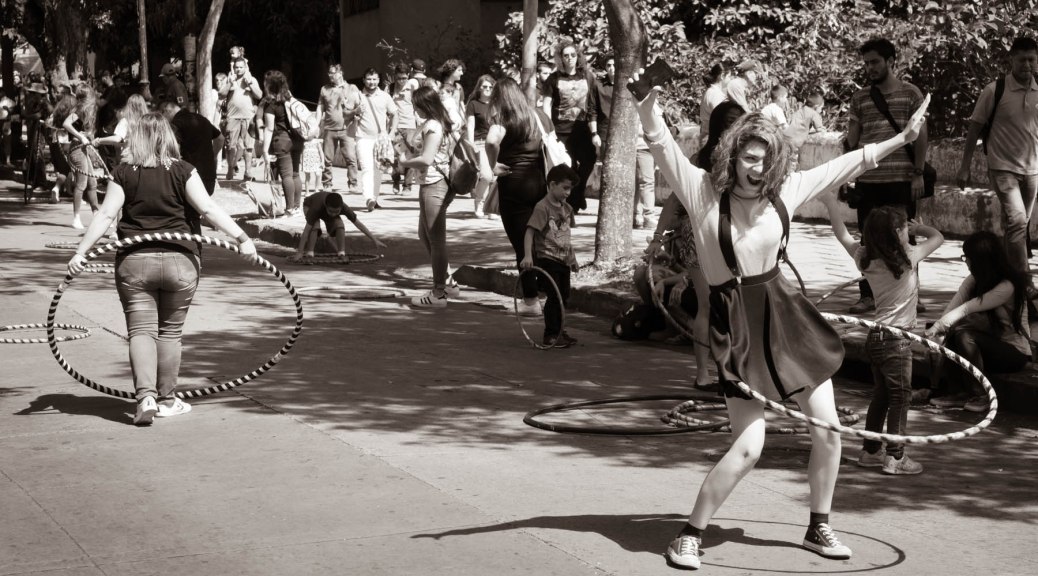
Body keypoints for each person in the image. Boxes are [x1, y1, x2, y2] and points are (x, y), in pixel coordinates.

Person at [629, 67, 930, 570]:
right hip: (737, 327)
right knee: (750, 447)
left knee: (829, 430)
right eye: (748, 158)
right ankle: (689, 533)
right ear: (732, 157)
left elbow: (848, 163)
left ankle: (819, 526)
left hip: (788, 319)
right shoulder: (703, 192)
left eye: (764, 161)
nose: (755, 168)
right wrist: (646, 109)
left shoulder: (784, 193)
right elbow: (661, 145)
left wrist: (902, 136)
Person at [66, 112, 257, 425]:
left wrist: (81, 252)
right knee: (170, 332)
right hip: (181, 262)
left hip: (134, 263)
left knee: (141, 331)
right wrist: (242, 238)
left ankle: (146, 398)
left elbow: (104, 216)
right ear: (169, 138)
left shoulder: (124, 172)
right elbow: (207, 208)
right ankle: (167, 399)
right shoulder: (184, 170)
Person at [825, 201, 944, 475]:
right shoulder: (908, 258)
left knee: (881, 396)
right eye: (903, 228)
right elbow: (938, 237)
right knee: (900, 398)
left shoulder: (864, 259)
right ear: (897, 233)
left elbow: (841, 233)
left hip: (875, 338)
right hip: (897, 342)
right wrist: (920, 227)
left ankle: (869, 452)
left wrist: (830, 203)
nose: (907, 232)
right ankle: (896, 456)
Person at [646, 100, 746, 388]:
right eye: (729, 121)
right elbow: (674, 201)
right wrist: (657, 237)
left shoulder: (743, 158)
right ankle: (707, 374)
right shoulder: (705, 161)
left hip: (732, 236)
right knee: (709, 305)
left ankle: (726, 372)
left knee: (726, 305)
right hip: (702, 235)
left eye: (738, 121)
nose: (734, 126)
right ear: (718, 126)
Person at [846, 38, 929, 315]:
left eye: (875, 62)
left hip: (902, 180)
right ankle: (868, 294)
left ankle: (911, 292)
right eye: (866, 63)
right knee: (867, 240)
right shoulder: (859, 98)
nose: (870, 68)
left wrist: (918, 173)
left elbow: (921, 137)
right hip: (868, 180)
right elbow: (853, 140)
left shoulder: (911, 93)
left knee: (906, 238)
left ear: (890, 60)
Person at [956, 37, 1038, 292]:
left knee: (1018, 228)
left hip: (1033, 168)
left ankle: (1001, 277)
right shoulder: (995, 90)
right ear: (1011, 59)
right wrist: (965, 166)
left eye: (1032, 59)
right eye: (1022, 59)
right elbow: (975, 129)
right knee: (1017, 221)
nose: (1027, 64)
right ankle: (1025, 283)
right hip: (1002, 167)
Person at [926, 231, 1032, 412]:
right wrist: (936, 332)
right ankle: (958, 393)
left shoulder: (1007, 286)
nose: (965, 261)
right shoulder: (973, 280)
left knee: (965, 335)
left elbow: (967, 308)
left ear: (981, 260)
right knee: (953, 332)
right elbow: (954, 306)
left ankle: (981, 395)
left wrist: (938, 326)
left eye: (967, 257)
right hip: (988, 349)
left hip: (1015, 353)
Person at [485, 78, 554, 317]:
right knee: (538, 240)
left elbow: (491, 140)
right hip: (538, 184)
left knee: (521, 244)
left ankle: (531, 300)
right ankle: (548, 292)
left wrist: (492, 166)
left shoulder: (503, 119)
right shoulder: (536, 117)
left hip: (513, 185)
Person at [399, 86, 462, 308]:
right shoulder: (432, 123)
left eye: (416, 105)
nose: (414, 109)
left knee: (436, 240)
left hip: (435, 184)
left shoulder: (434, 125)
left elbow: (426, 159)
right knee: (425, 235)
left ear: (425, 104)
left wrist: (405, 163)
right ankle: (448, 283)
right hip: (430, 183)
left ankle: (438, 294)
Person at [521, 164, 581, 347]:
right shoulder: (543, 208)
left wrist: (573, 259)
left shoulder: (567, 208)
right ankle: (550, 334)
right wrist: (527, 256)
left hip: (563, 259)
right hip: (547, 258)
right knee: (554, 296)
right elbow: (530, 232)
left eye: (570, 188)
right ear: (552, 184)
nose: (568, 192)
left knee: (563, 296)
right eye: (565, 188)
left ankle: (560, 330)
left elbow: (566, 235)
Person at [541, 41, 597, 211]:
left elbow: (593, 103)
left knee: (590, 160)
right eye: (566, 55)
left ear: (578, 56)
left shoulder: (586, 76)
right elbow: (546, 106)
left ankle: (578, 191)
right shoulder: (554, 78)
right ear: (561, 58)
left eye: (573, 55)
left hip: (582, 129)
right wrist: (548, 130)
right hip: (561, 131)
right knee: (569, 166)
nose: (570, 58)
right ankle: (573, 200)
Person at [292, 191, 385, 263]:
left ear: (341, 208)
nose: (333, 214)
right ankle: (310, 253)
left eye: (337, 212)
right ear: (326, 206)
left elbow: (358, 224)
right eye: (331, 211)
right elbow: (306, 231)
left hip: (324, 208)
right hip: (309, 205)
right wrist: (300, 252)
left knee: (340, 225)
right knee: (315, 226)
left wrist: (374, 240)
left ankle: (341, 253)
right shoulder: (316, 208)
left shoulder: (344, 207)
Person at [56, 84, 100, 230]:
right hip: (76, 149)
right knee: (82, 184)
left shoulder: (87, 110)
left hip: (83, 148)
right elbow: (66, 124)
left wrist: (89, 137)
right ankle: (76, 218)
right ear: (87, 97)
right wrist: (81, 136)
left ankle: (96, 215)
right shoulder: (80, 109)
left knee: (92, 182)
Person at [261, 70, 305, 216]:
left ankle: (289, 209)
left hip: (282, 140)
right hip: (298, 139)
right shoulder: (290, 100)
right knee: (295, 174)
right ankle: (297, 207)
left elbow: (269, 128)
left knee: (286, 175)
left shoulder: (271, 104)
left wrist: (265, 151)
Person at [354, 67, 398, 212]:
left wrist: (391, 133)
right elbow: (346, 114)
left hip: (381, 139)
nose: (371, 82)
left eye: (374, 79)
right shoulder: (357, 96)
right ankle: (369, 198)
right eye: (369, 79)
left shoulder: (385, 96)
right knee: (366, 168)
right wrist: (355, 111)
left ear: (379, 80)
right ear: (364, 80)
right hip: (363, 138)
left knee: (379, 170)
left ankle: (375, 197)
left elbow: (394, 114)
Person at [317, 63, 361, 193]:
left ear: (340, 73)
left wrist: (356, 115)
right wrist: (316, 123)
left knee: (351, 158)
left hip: (346, 128)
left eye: (333, 73)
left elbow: (359, 105)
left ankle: (353, 184)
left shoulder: (351, 88)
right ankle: (327, 184)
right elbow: (320, 107)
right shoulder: (324, 89)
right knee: (327, 158)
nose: (330, 75)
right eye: (329, 73)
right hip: (329, 128)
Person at [221, 58, 263, 182]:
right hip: (232, 117)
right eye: (236, 67)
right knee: (230, 146)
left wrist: (249, 83)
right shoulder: (230, 80)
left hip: (248, 117)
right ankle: (230, 169)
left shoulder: (251, 79)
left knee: (248, 146)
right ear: (233, 68)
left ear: (245, 67)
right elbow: (221, 94)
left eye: (241, 67)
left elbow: (260, 95)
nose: (238, 69)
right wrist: (229, 83)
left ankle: (248, 172)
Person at [466, 74, 496, 218]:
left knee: (495, 178)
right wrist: (471, 143)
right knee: (486, 176)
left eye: (491, 87)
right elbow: (470, 125)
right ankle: (479, 202)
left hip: (496, 143)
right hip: (481, 143)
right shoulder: (473, 104)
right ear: (479, 87)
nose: (488, 89)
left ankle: (491, 208)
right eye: (485, 86)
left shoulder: (496, 105)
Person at [391, 63, 418, 194]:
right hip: (396, 126)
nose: (401, 81)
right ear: (395, 76)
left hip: (410, 125)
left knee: (409, 157)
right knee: (395, 157)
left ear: (408, 75)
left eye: (404, 78)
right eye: (399, 78)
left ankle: (407, 186)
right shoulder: (390, 87)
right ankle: (396, 181)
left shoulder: (412, 87)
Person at [783, 90, 826, 166]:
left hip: (786, 138)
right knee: (792, 163)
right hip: (795, 143)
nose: (821, 110)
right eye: (821, 108)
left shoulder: (800, 110)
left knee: (784, 161)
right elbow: (820, 129)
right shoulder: (814, 113)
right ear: (816, 107)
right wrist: (823, 129)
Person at [698, 63, 726, 146]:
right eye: (730, 77)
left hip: (707, 138)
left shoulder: (711, 91)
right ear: (722, 76)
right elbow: (721, 119)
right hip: (712, 140)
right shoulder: (715, 94)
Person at [437, 59, 466, 129]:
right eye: (459, 70)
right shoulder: (439, 87)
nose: (462, 73)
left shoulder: (459, 87)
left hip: (457, 124)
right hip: (443, 123)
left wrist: (464, 122)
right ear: (451, 71)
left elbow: (461, 107)